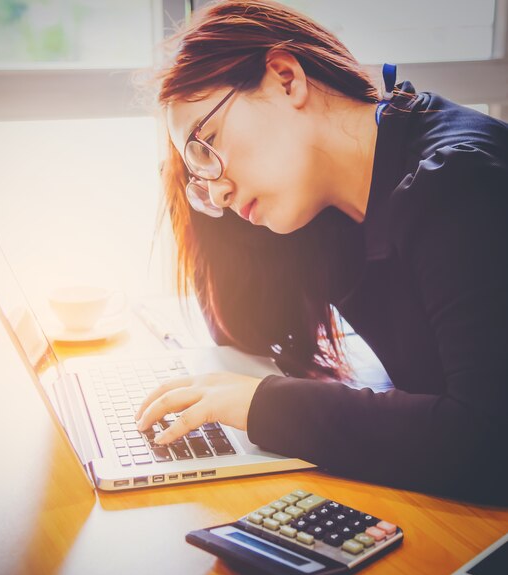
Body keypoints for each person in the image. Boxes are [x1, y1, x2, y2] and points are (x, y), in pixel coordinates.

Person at [134, 0, 508, 503]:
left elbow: (486, 442)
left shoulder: (458, 184)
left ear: (286, 78)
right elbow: (247, 331)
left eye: (209, 141)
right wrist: (187, 176)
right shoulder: (329, 210)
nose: (217, 194)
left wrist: (266, 407)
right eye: (200, 174)